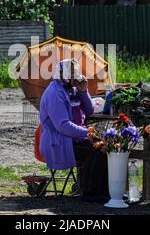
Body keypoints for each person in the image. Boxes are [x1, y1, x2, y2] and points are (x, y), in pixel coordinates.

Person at [39, 59, 109, 202]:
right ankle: (90, 192)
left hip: (74, 137)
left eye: (75, 71)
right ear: (62, 74)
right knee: (97, 150)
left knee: (106, 147)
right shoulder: (55, 93)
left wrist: (84, 91)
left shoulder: (72, 89)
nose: (75, 75)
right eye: (71, 72)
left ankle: (105, 191)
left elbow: (89, 110)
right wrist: (86, 133)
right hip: (59, 141)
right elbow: (62, 126)